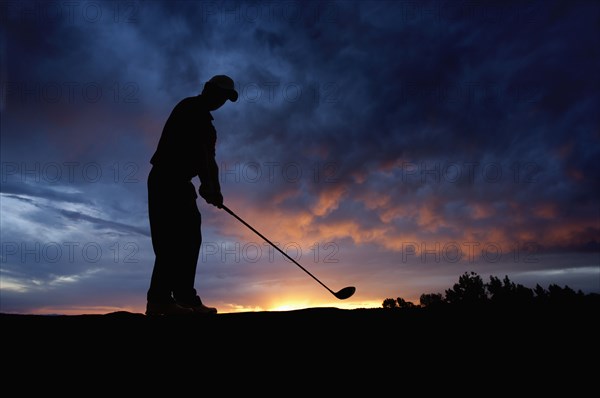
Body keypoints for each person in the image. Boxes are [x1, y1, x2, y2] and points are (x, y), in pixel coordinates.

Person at [145, 75, 238, 316]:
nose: (222, 101)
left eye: (226, 98)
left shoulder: (207, 124)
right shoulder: (190, 109)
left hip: (177, 182)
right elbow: (202, 156)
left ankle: (176, 298)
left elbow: (210, 160)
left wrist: (214, 190)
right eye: (219, 95)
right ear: (208, 89)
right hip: (167, 179)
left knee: (185, 239)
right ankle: (167, 300)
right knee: (174, 241)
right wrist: (209, 188)